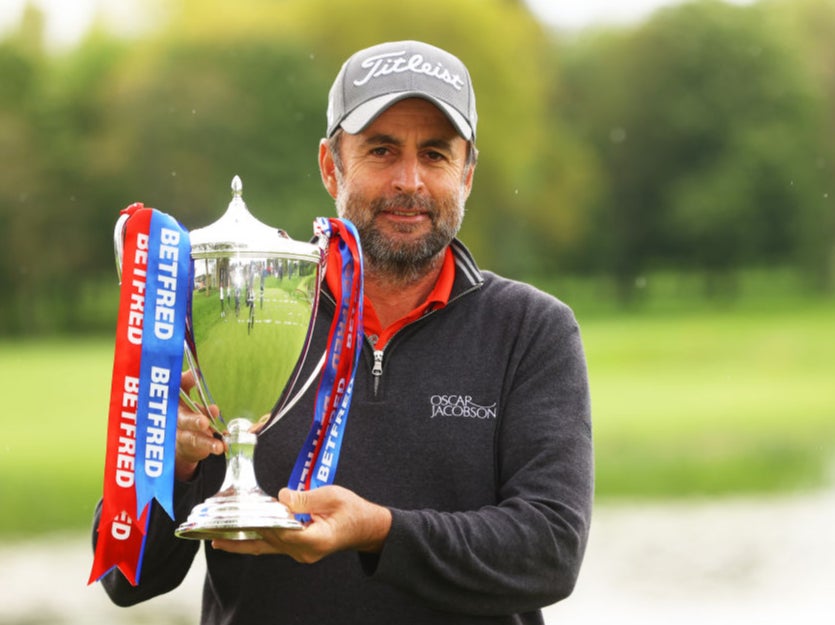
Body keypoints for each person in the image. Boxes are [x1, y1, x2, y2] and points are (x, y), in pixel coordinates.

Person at [93, 40, 593, 624]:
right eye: (382, 150)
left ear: (468, 174)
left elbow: (549, 551)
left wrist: (380, 532)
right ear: (332, 165)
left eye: (435, 154)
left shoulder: (532, 330)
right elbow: (126, 583)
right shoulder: (228, 310)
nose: (410, 181)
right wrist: (169, 470)